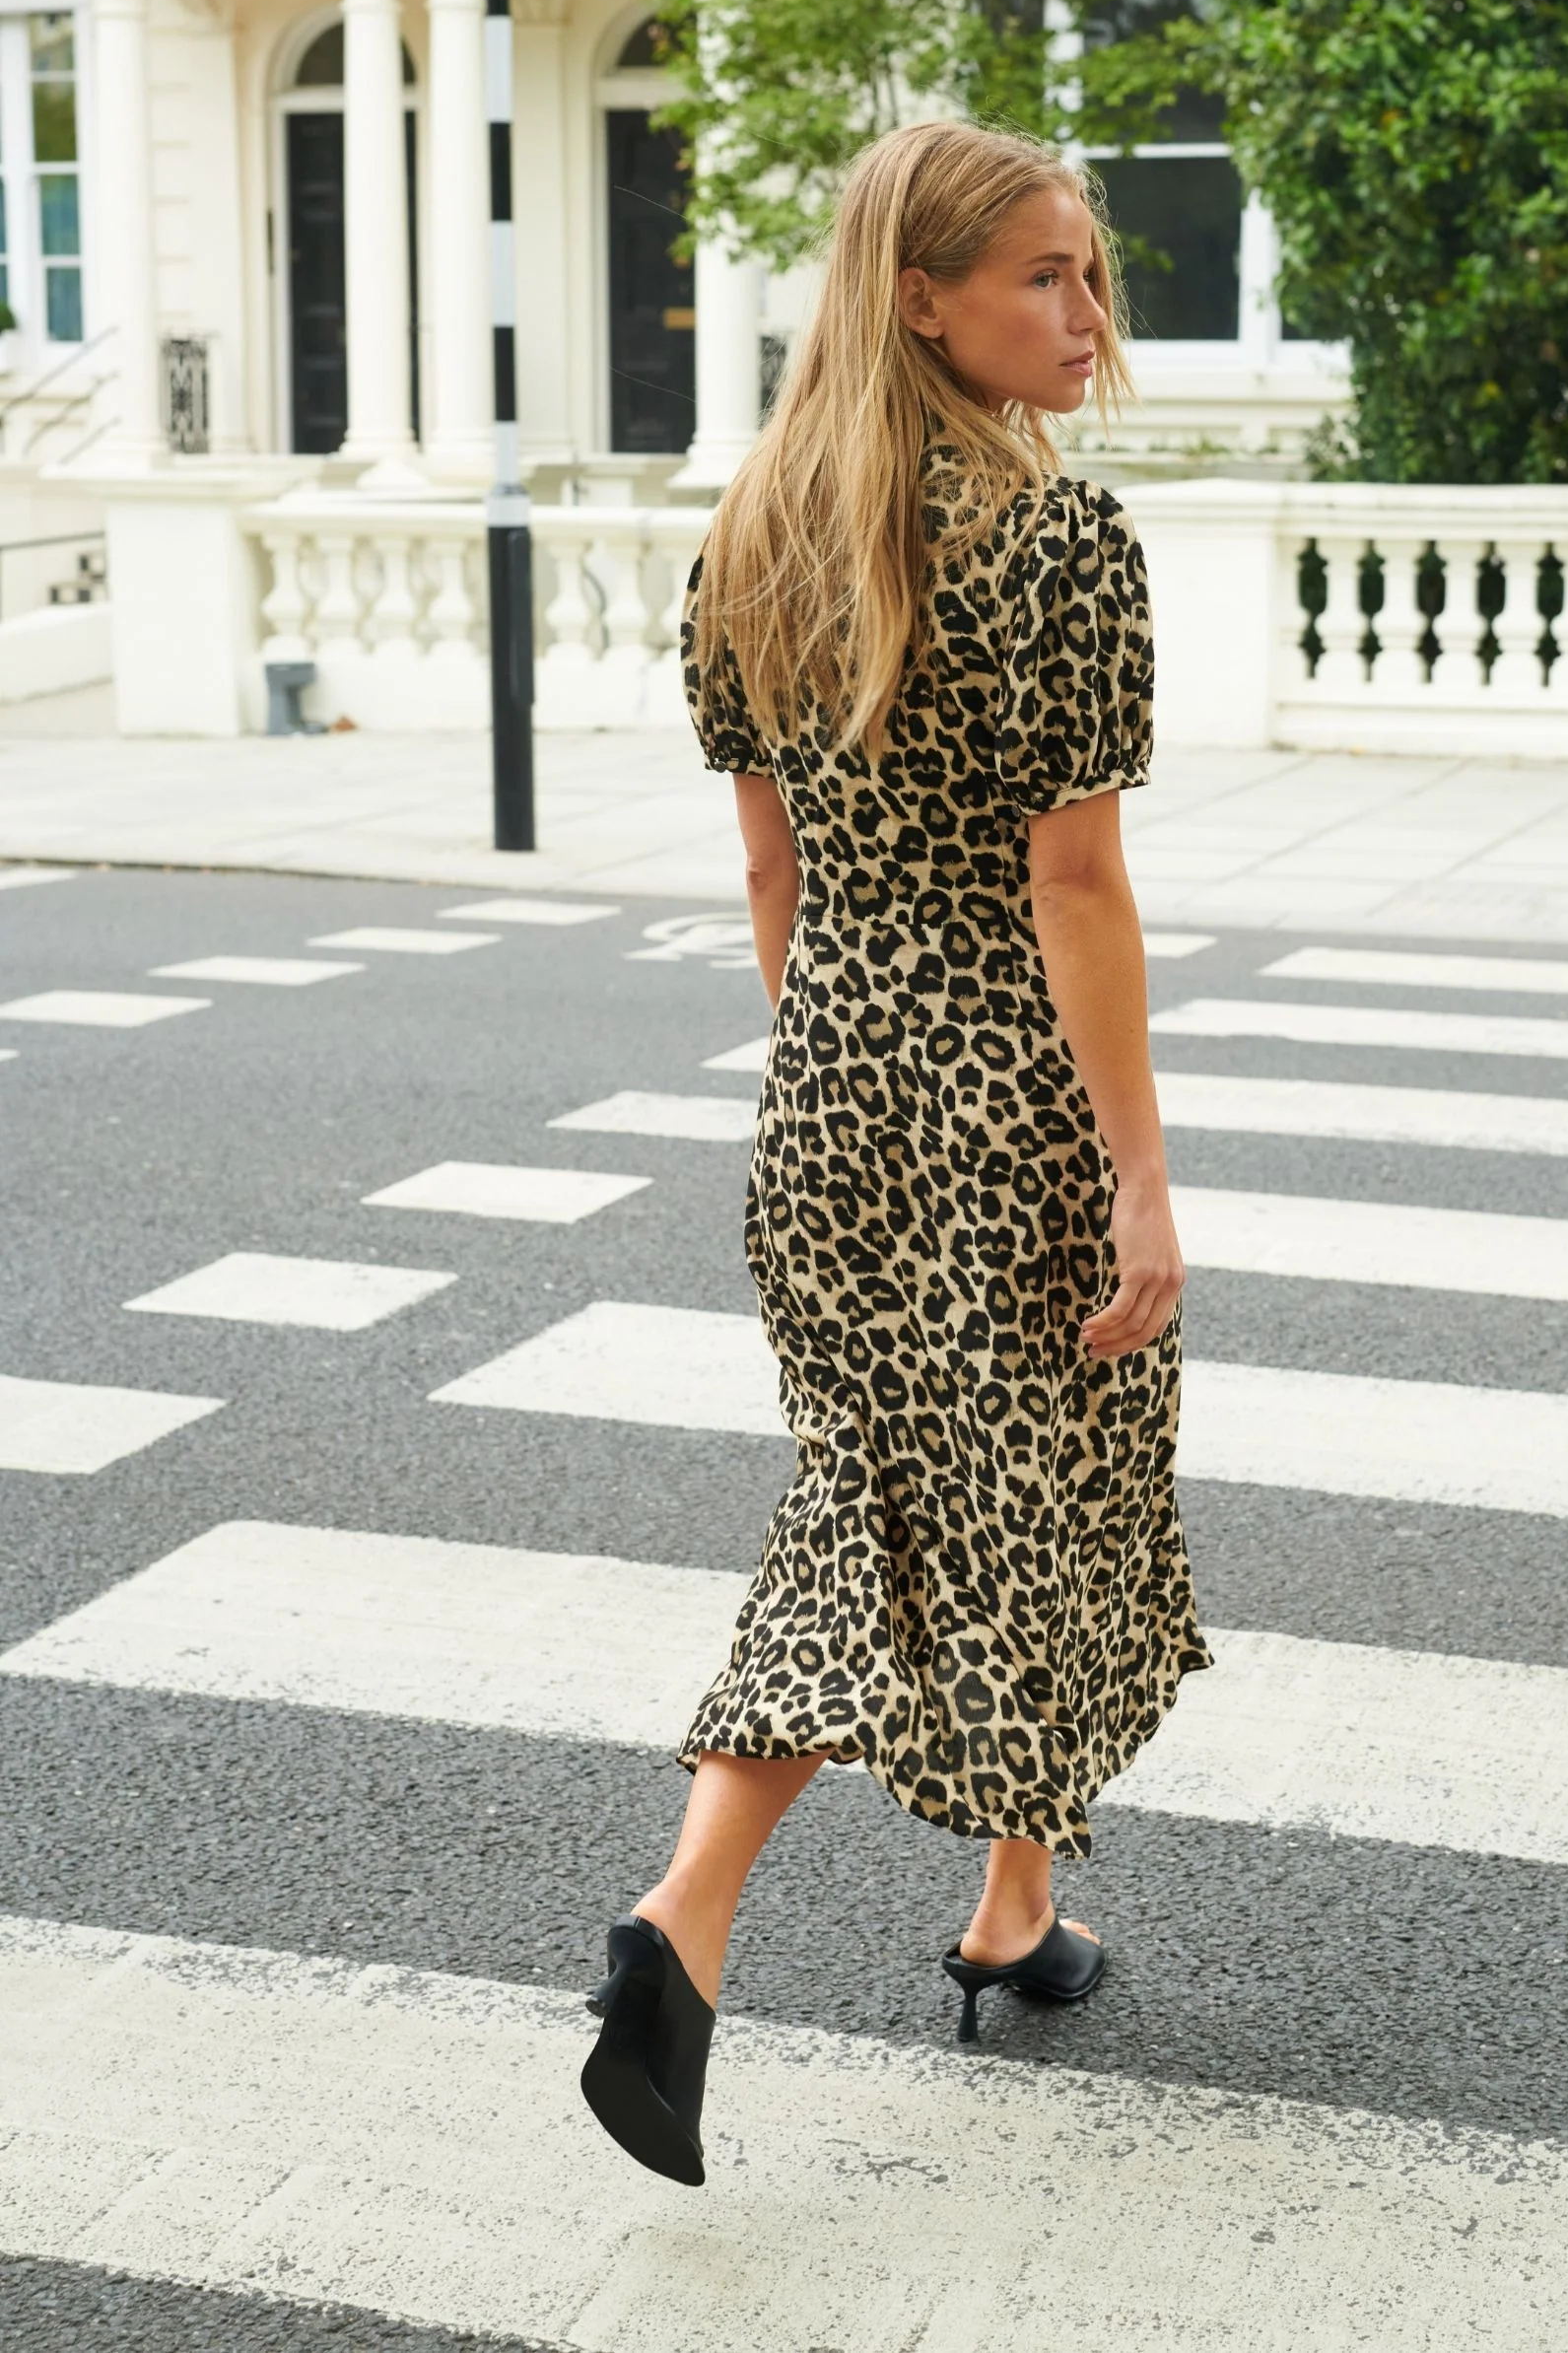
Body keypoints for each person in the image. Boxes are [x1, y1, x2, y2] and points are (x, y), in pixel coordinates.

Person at [579, 116, 1210, 2187]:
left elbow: (768, 867)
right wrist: (1134, 1167)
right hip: (1009, 1101)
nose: (1085, 311)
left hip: (830, 1087)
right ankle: (690, 1906)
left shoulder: (757, 526)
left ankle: (1014, 1907)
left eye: (1089, 270)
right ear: (922, 297)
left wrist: (842, 1069)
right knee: (1010, 1486)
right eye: (1043, 274)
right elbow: (1077, 885)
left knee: (906, 1487)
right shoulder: (1056, 540)